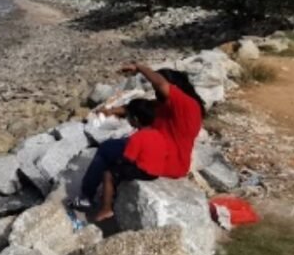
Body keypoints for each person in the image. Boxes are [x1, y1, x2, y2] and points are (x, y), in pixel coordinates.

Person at [70, 62, 206, 212]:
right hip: (160, 151)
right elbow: (142, 108)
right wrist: (113, 111)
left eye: (157, 89)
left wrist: (139, 67)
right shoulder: (169, 105)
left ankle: (86, 198)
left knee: (107, 148)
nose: (155, 93)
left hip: (166, 160)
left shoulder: (187, 105)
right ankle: (109, 189)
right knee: (117, 147)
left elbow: (160, 84)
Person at [91, 99, 169, 222]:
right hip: (157, 172)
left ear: (136, 120)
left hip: (145, 172)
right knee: (120, 169)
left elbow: (128, 158)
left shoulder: (137, 137)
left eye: (129, 117)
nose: (127, 119)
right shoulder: (158, 134)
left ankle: (106, 208)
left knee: (108, 173)